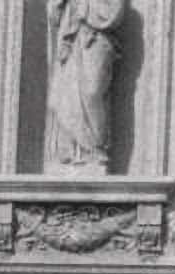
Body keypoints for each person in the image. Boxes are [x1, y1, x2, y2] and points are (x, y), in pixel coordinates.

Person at [44, 0, 124, 173]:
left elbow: (114, 15)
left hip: (96, 42)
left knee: (92, 92)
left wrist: (84, 7)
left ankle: (95, 149)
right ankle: (69, 152)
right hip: (71, 46)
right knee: (67, 96)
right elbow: (54, 17)